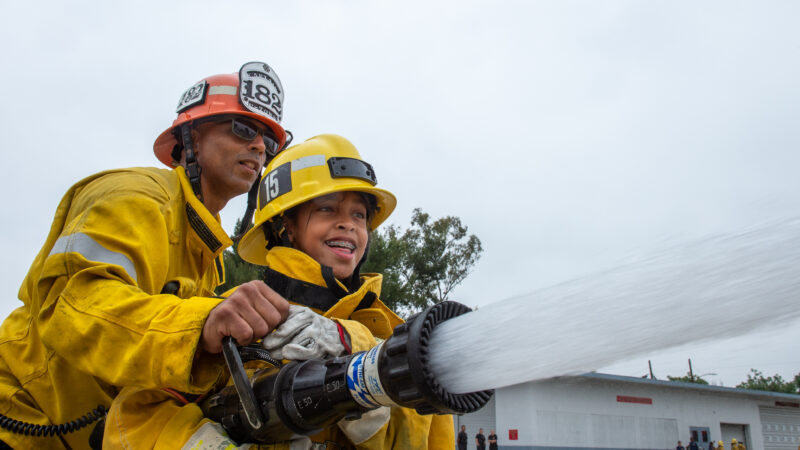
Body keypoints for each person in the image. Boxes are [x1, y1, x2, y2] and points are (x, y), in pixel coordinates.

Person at [0, 62, 293, 449]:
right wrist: (199, 323)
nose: (258, 146)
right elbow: (75, 307)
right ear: (191, 137)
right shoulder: (134, 196)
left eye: (268, 143)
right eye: (242, 129)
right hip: (18, 416)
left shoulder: (206, 250)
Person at [103, 135, 455, 448]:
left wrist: (359, 365)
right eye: (327, 209)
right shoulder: (233, 317)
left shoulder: (391, 336)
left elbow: (429, 437)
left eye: (359, 215)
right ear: (285, 226)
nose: (348, 223)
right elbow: (134, 416)